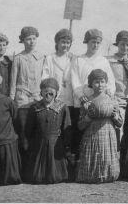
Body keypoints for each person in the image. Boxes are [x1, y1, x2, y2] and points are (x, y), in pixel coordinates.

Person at [70, 28, 116, 158]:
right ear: (87, 42)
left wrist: (109, 94)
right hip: (83, 102)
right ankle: (80, 162)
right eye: (92, 42)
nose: (95, 45)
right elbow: (75, 81)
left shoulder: (103, 61)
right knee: (81, 132)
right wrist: (82, 97)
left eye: (97, 42)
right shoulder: (78, 60)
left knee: (98, 133)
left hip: (100, 103)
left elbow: (110, 82)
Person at [22, 78, 72, 184]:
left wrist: (66, 145)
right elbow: (29, 128)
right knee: (36, 176)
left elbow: (66, 128)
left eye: (51, 93)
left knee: (56, 173)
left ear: (56, 93)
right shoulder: (35, 108)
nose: (48, 95)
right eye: (45, 92)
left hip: (56, 145)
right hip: (39, 143)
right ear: (41, 92)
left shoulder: (62, 107)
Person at [75, 69, 122, 183]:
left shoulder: (112, 100)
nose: (100, 85)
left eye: (102, 81)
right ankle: (91, 175)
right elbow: (80, 126)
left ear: (106, 83)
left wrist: (115, 116)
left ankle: (109, 174)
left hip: (108, 133)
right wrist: (88, 118)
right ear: (91, 83)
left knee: (107, 158)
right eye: (96, 82)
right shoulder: (87, 102)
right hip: (92, 134)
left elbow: (120, 123)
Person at [41, 29, 77, 165]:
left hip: (70, 99)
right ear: (57, 42)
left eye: (68, 42)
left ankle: (69, 160)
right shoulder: (50, 58)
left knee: (68, 130)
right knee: (56, 130)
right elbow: (45, 77)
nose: (65, 45)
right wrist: (52, 90)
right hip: (55, 100)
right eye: (63, 42)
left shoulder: (73, 58)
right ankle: (56, 160)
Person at [9, 26, 45, 154]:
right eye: (28, 39)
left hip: (37, 99)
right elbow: (13, 81)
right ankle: (23, 164)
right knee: (23, 130)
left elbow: (44, 79)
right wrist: (12, 99)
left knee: (37, 130)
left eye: (34, 39)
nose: (31, 42)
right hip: (22, 99)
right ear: (23, 41)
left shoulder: (41, 57)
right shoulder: (18, 58)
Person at [107, 30, 128, 146]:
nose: (125, 47)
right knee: (119, 129)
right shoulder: (110, 61)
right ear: (117, 45)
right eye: (122, 44)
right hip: (117, 99)